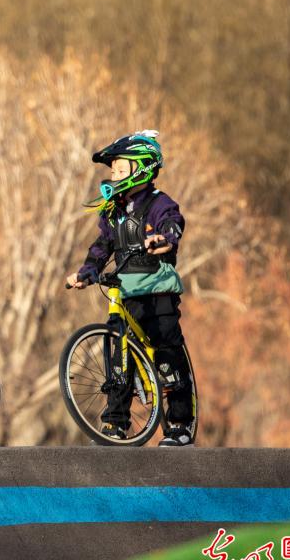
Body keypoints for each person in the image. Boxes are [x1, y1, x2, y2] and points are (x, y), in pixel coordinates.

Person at [65, 130, 197, 447]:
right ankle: (116, 423)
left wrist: (163, 239)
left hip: (156, 290)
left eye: (120, 169)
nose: (114, 175)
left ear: (142, 168)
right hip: (124, 291)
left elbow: (173, 224)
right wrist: (87, 273)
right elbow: (102, 247)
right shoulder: (113, 211)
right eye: (113, 170)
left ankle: (180, 423)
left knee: (166, 351)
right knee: (117, 359)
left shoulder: (157, 203)